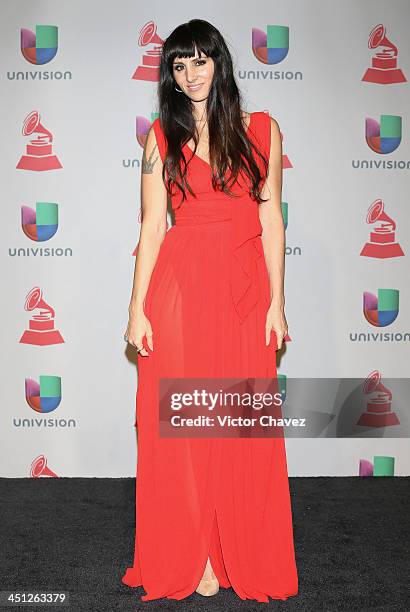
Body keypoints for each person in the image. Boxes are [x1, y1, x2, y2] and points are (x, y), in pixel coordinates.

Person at [122, 18, 298, 603]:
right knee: (184, 426)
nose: (191, 74)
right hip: (178, 288)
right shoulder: (160, 140)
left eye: (200, 60)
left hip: (244, 291)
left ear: (220, 61)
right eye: (179, 64)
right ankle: (193, 552)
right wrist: (135, 310)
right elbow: (151, 227)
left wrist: (278, 300)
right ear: (169, 74)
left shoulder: (264, 130)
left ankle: (231, 549)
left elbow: (272, 220)